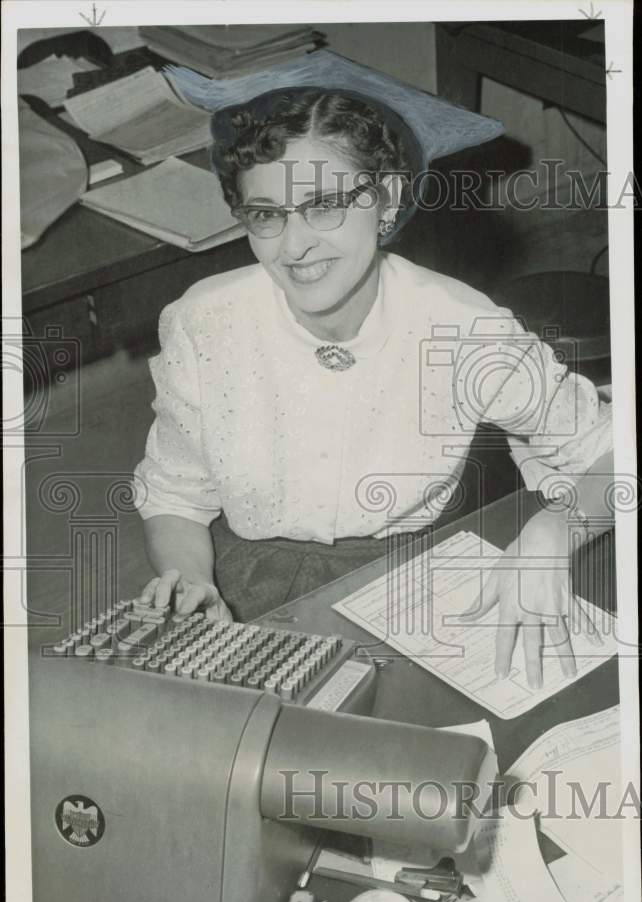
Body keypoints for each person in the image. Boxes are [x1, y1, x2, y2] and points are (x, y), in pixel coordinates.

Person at [134, 84, 612, 690]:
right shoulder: (204, 321)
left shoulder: (462, 327)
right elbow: (174, 494)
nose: (294, 244)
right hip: (241, 579)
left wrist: (557, 528)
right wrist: (192, 580)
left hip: (402, 583)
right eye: (266, 214)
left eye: (324, 205)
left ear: (385, 200)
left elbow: (612, 455)